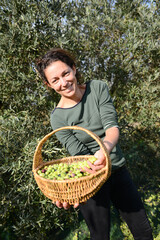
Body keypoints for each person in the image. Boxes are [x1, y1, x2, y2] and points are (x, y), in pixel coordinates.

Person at [36, 48, 153, 240]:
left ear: (74, 69)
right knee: (99, 236)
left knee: (144, 232)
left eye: (65, 73)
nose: (64, 82)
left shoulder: (97, 88)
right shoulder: (57, 118)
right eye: (55, 80)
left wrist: (104, 150)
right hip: (89, 182)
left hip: (117, 170)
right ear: (49, 85)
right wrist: (67, 187)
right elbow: (78, 153)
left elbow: (112, 127)